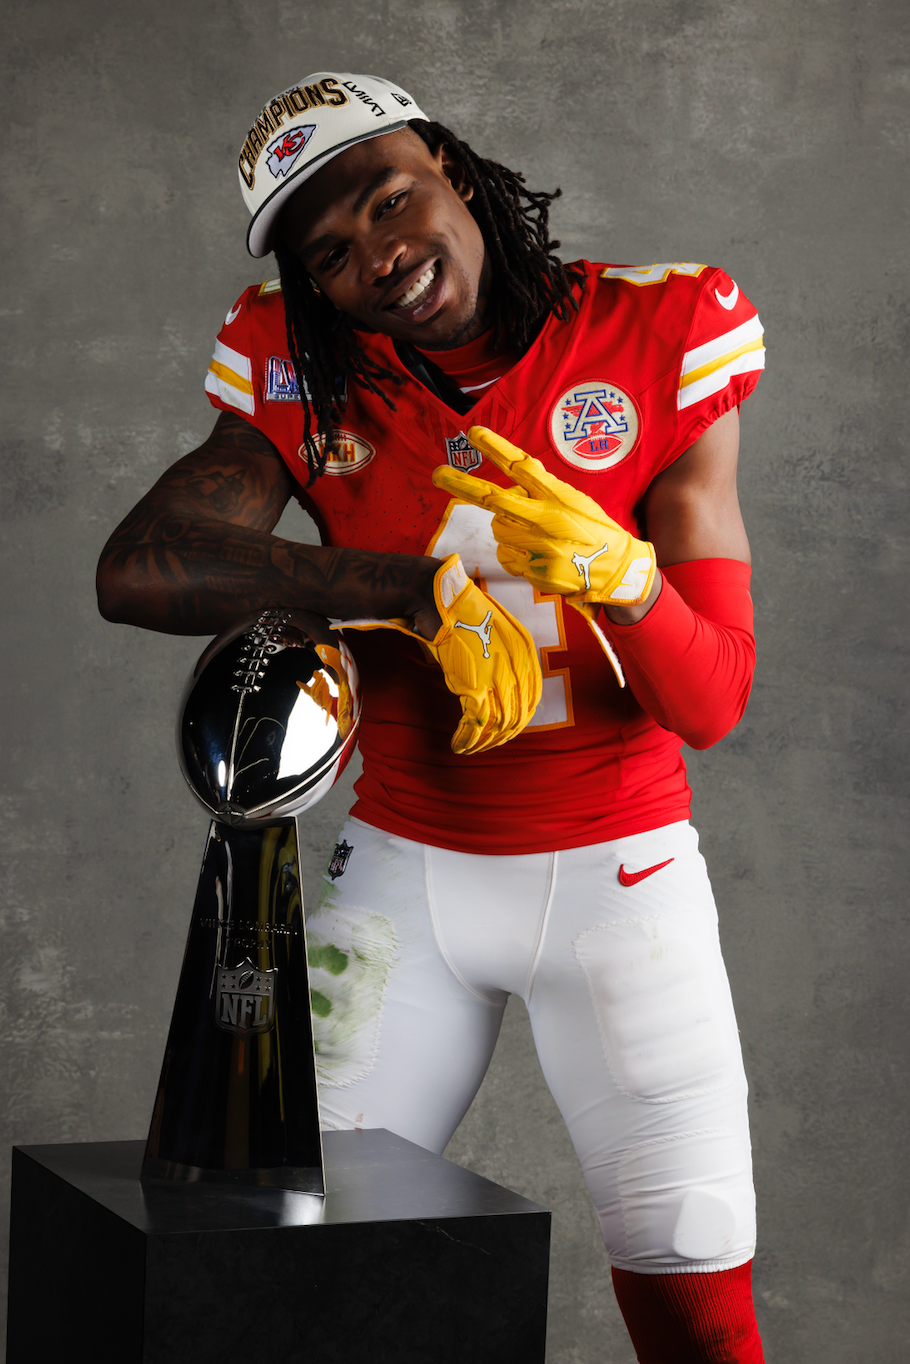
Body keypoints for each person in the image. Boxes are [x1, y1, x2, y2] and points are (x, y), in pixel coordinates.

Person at [97, 71, 766, 1363]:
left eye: (390, 197)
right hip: (401, 876)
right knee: (277, 1260)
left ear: (452, 165)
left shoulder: (659, 326)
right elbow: (141, 565)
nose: (380, 258)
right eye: (330, 252)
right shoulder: (300, 359)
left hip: (622, 886)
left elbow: (713, 700)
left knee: (693, 1295)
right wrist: (399, 589)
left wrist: (628, 581)